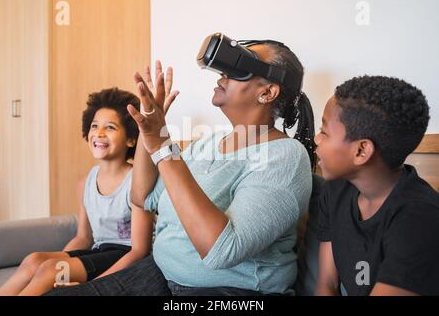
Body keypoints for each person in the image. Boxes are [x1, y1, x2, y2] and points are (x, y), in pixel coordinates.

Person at [45, 38, 315, 296]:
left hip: (232, 292)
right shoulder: (206, 144)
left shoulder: (285, 157)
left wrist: (163, 147)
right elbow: (143, 196)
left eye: (238, 69)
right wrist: (150, 127)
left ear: (267, 93)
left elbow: (222, 250)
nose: (221, 75)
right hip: (160, 274)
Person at [0, 88, 155, 296]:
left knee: (52, 270)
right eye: (94, 126)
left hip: (127, 256)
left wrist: (92, 285)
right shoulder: (86, 182)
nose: (99, 133)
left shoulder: (137, 182)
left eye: (110, 127)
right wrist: (52, 262)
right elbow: (83, 237)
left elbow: (140, 250)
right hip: (99, 251)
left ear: (131, 140)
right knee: (34, 260)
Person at [314, 76, 439, 296]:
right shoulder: (335, 191)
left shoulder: (420, 219)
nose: (317, 139)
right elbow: (326, 285)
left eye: (324, 132)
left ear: (361, 151)